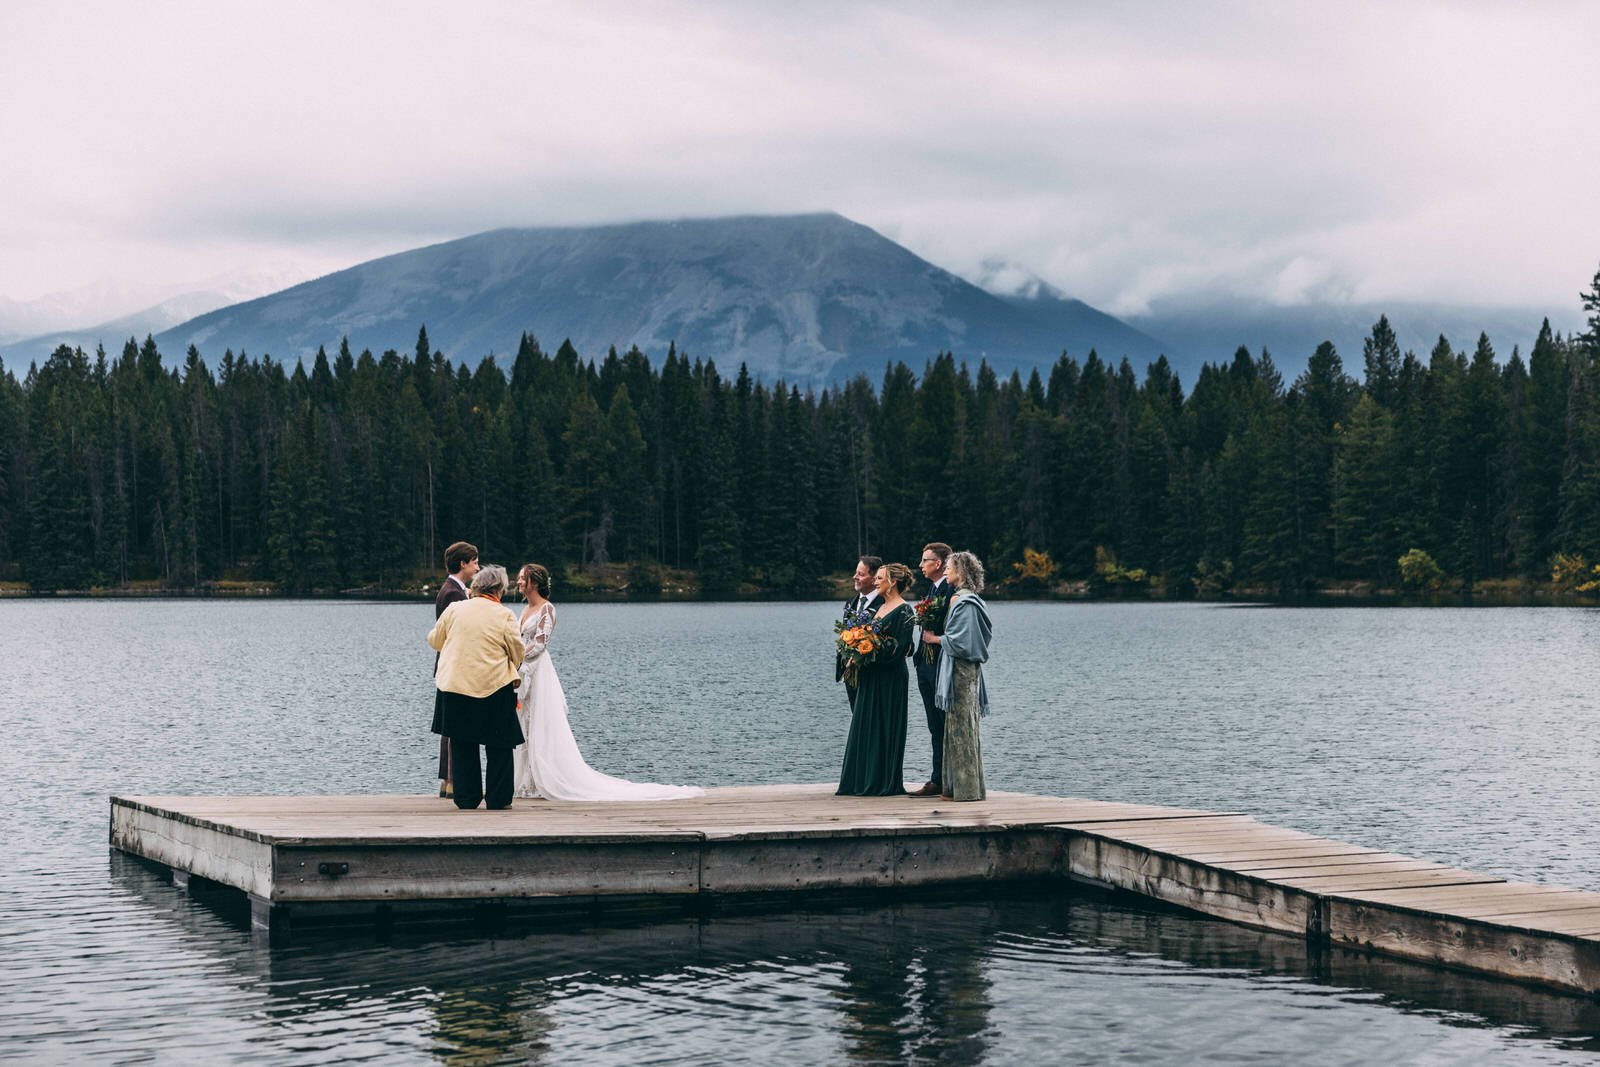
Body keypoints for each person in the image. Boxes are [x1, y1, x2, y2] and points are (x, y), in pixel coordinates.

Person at [511, 562, 704, 801]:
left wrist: (517, 657)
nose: (518, 582)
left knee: (541, 724)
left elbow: (540, 644)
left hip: (538, 672)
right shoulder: (524, 610)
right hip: (524, 672)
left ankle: (545, 780)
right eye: (519, 578)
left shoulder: (547, 609)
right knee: (525, 725)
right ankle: (526, 782)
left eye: (522, 578)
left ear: (535, 582)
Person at [428, 564, 524, 810]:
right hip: (494, 686)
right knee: (500, 744)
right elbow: (517, 652)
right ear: (499, 590)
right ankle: (498, 798)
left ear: (475, 587)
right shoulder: (504, 615)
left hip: (456, 686)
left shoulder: (454, 609)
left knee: (462, 743)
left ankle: (467, 798)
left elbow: (434, 640)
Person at [836, 561, 915, 796]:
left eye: (881, 578)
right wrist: (856, 651)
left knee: (885, 725)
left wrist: (867, 651)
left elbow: (899, 648)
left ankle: (882, 781)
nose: (877, 582)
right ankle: (860, 779)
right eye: (877, 577)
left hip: (890, 679)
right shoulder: (879, 608)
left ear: (893, 582)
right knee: (865, 726)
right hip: (870, 677)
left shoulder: (904, 610)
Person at [935, 551, 992, 802]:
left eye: (949, 567)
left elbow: (964, 642)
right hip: (960, 671)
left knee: (963, 729)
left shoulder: (965, 601)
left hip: (962, 673)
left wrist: (935, 639)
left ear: (962, 571)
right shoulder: (962, 598)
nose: (945, 571)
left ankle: (967, 790)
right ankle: (955, 787)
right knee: (956, 727)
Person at [433, 540, 479, 798]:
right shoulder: (453, 593)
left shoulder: (455, 589)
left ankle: (449, 781)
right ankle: (452, 781)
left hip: (449, 666)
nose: (477, 567)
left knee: (451, 724)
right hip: (454, 666)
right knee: (454, 724)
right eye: (474, 561)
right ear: (462, 563)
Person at [908, 541, 953, 798]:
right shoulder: (930, 590)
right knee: (933, 725)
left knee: (944, 723)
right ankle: (938, 778)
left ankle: (944, 779)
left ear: (938, 563)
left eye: (925, 560)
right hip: (924, 664)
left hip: (940, 664)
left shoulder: (950, 589)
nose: (920, 565)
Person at [836, 554, 884, 709]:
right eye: (856, 572)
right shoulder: (851, 602)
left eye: (861, 574)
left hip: (872, 675)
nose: (855, 577)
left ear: (874, 577)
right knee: (855, 719)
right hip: (850, 672)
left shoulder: (884, 603)